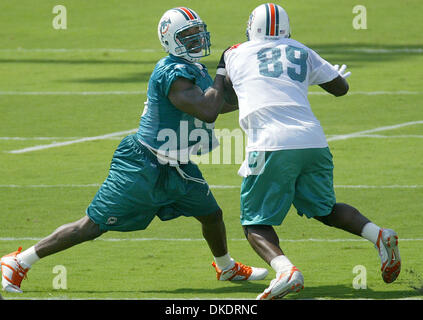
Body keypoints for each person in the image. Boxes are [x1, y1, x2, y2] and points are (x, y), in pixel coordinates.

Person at [0, 7, 268, 294]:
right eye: (187, 35)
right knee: (91, 226)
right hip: (142, 164)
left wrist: (258, 89)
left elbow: (219, 103)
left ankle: (226, 267)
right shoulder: (172, 72)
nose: (196, 39)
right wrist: (223, 72)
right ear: (170, 40)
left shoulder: (193, 69)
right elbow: (207, 110)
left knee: (211, 215)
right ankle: (18, 261)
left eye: (197, 32)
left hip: (178, 165)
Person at [216, 3, 401, 300]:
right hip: (313, 141)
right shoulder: (300, 49)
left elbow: (223, 99)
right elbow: (341, 88)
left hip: (270, 144)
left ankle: (286, 270)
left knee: (255, 223)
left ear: (251, 27)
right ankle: (378, 234)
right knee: (325, 209)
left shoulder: (235, 53)